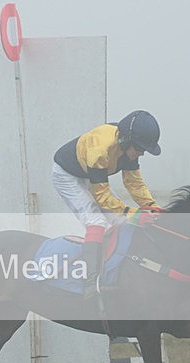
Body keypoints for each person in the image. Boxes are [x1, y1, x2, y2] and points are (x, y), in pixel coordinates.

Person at [51, 110, 163, 298]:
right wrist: (133, 213)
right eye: (140, 148)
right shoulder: (100, 149)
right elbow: (102, 196)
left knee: (121, 220)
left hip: (89, 174)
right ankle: (90, 282)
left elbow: (133, 183)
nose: (142, 153)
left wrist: (151, 206)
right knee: (97, 222)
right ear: (126, 141)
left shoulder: (128, 146)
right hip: (67, 176)